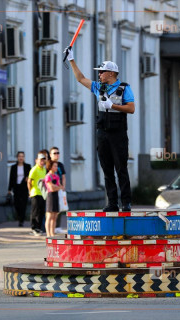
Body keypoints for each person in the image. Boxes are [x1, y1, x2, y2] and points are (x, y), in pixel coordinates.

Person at [66, 48, 135, 212]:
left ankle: (126, 202)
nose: (99, 75)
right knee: (107, 169)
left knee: (121, 169)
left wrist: (113, 106)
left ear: (111, 73)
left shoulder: (124, 88)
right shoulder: (99, 88)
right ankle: (112, 203)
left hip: (118, 134)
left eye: (102, 72)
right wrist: (71, 60)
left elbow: (131, 108)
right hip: (102, 133)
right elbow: (81, 78)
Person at [8, 151, 31, 227]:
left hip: (24, 187)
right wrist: (9, 189)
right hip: (16, 187)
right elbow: (11, 178)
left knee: (23, 204)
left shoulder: (28, 166)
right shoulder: (13, 167)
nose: (21, 158)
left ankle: (21, 220)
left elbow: (31, 176)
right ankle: (19, 217)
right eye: (19, 156)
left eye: (22, 156)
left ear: (24, 158)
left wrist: (28, 179)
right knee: (17, 204)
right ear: (17, 158)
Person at [27, 152, 47, 236]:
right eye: (40, 160)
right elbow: (29, 181)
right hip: (35, 193)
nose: (41, 162)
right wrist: (30, 191)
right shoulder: (34, 169)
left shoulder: (44, 170)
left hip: (42, 193)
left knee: (41, 211)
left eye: (43, 160)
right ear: (36, 160)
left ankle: (38, 228)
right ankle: (33, 228)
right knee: (35, 211)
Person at [49, 147, 66, 234]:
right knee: (51, 211)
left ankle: (57, 226)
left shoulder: (60, 165)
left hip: (59, 189)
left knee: (59, 208)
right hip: (51, 190)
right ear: (50, 155)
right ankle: (50, 229)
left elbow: (63, 176)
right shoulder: (48, 165)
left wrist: (63, 186)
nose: (56, 155)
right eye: (54, 153)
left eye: (57, 153)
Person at [44, 160, 62, 237]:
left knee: (55, 216)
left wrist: (56, 187)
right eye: (55, 166)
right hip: (50, 196)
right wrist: (56, 187)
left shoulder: (57, 176)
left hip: (56, 196)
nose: (56, 167)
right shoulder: (48, 176)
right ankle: (48, 233)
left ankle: (52, 232)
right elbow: (51, 188)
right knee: (49, 215)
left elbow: (61, 187)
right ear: (50, 167)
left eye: (56, 166)